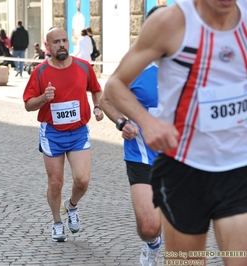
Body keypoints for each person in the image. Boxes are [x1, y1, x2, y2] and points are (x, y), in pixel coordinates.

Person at [102, 0, 247, 265]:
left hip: (237, 167)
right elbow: (114, 86)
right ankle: (152, 245)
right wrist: (148, 122)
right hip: (184, 169)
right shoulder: (170, 21)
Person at [23, 28, 104, 242]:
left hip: (78, 132)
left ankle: (71, 205)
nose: (62, 45)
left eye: (65, 40)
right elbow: (28, 105)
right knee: (56, 183)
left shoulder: (84, 67)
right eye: (56, 42)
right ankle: (57, 221)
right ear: (47, 47)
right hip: (52, 133)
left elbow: (96, 89)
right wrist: (43, 98)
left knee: (82, 180)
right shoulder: (40, 72)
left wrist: (97, 106)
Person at [100, 6, 165, 266]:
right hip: (143, 156)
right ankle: (152, 244)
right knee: (149, 227)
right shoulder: (135, 66)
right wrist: (121, 122)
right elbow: (106, 99)